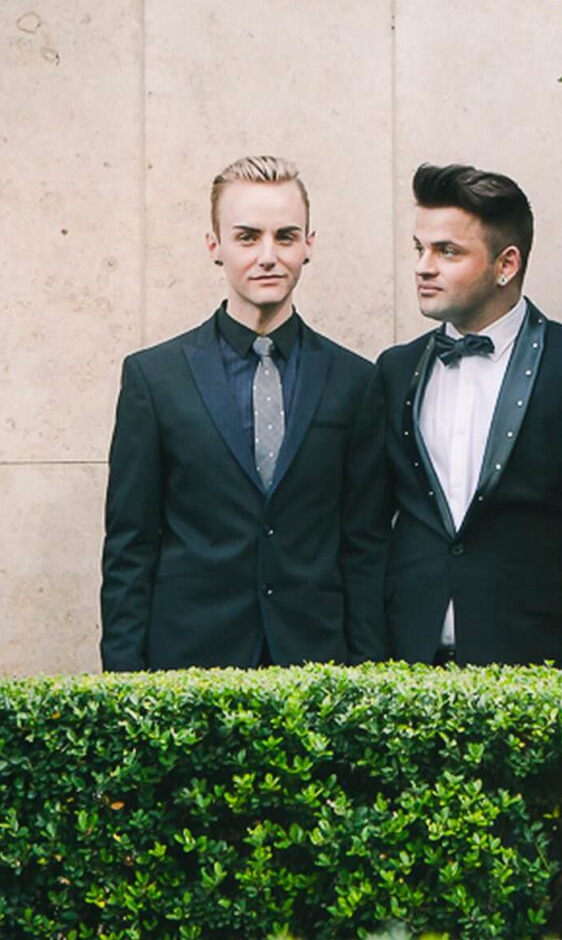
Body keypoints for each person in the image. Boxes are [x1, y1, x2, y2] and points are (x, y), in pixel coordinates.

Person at [100, 155, 386, 670]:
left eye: (286, 236)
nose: (268, 256)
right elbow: (130, 546)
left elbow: (364, 547)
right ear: (215, 246)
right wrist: (124, 683)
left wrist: (368, 677)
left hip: (317, 668)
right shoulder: (154, 378)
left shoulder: (356, 381)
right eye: (248, 237)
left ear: (309, 244)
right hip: (188, 667)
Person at [370, 163, 562, 671]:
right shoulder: (395, 371)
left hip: (538, 669)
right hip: (407, 673)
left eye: (447, 251)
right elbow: (366, 529)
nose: (423, 266)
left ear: (507, 264)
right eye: (419, 248)